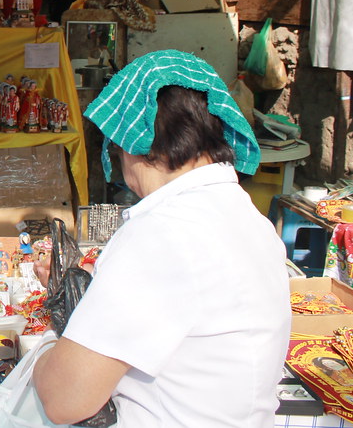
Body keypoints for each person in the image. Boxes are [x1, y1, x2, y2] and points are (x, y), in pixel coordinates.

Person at [32, 50, 289, 427]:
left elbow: (64, 399)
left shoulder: (162, 234)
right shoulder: (248, 218)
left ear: (126, 140)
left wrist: (46, 345)